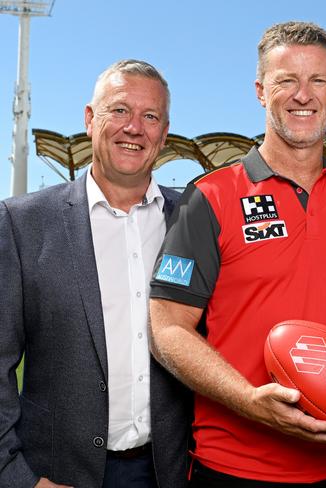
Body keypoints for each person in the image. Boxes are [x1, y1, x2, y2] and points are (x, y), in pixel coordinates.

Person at [148, 21, 326, 487]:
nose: (303, 95)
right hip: (233, 468)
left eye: (317, 80)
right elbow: (168, 327)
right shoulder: (210, 196)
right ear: (260, 90)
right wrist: (248, 398)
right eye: (286, 81)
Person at [0, 60, 192, 488]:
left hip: (169, 471)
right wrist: (17, 477)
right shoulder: (22, 223)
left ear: (163, 134)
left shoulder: (193, 220)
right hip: (58, 474)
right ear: (90, 119)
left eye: (150, 117)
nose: (134, 128)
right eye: (120, 110)